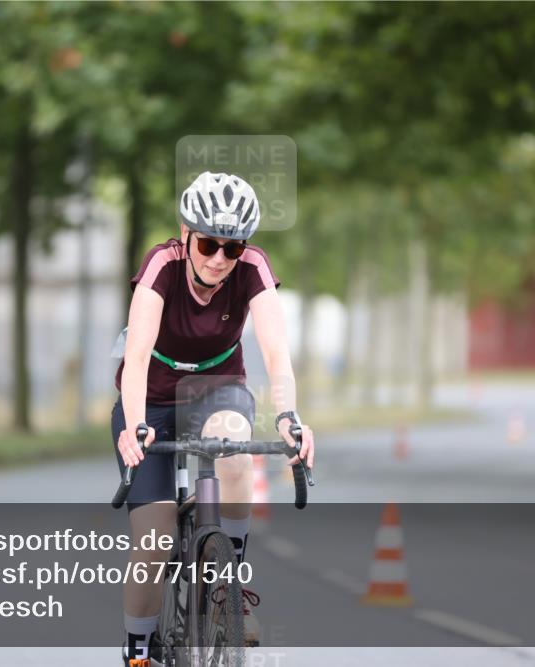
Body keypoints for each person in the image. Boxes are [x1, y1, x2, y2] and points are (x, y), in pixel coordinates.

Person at [112, 171, 315, 666]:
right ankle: (139, 649)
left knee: (235, 449)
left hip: (218, 391)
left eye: (233, 247)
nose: (220, 258)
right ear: (186, 234)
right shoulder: (161, 265)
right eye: (208, 244)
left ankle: (230, 587)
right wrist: (135, 426)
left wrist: (289, 417)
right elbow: (136, 357)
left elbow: (275, 351)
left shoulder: (253, 269)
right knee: (155, 538)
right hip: (153, 401)